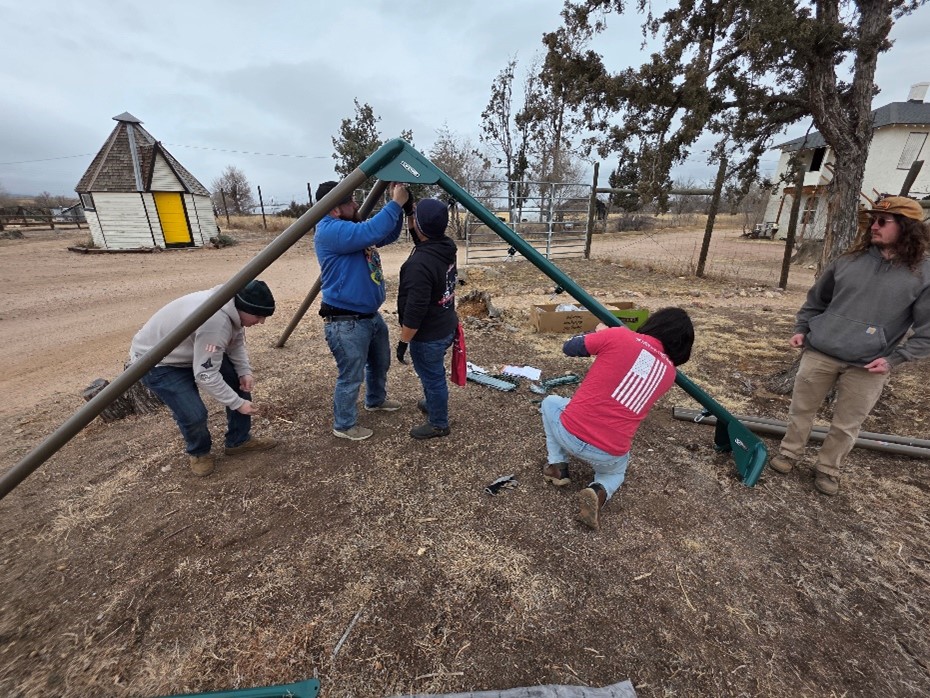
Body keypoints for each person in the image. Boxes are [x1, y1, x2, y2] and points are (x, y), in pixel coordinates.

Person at [768, 195, 930, 495]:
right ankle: (788, 453)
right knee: (801, 409)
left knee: (847, 424)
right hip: (821, 351)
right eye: (872, 220)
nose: (874, 226)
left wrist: (895, 359)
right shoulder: (848, 260)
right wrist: (802, 328)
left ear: (907, 228)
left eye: (883, 221)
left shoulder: (923, 274)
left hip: (869, 364)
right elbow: (816, 300)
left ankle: (828, 469)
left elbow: (927, 330)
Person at [540, 308, 695, 530]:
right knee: (615, 474)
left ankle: (557, 465)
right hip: (609, 452)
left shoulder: (620, 336)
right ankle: (598, 491)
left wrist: (600, 333)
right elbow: (639, 365)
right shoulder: (669, 374)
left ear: (654, 323)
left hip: (570, 431)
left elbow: (569, 347)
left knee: (550, 403)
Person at [131, 280, 279, 477]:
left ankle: (239, 440)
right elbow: (206, 374)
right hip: (159, 362)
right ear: (243, 308)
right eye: (259, 316)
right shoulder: (215, 321)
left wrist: (244, 371)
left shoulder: (231, 308)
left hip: (191, 351)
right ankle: (199, 452)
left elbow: (234, 341)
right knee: (194, 414)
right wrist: (237, 403)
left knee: (239, 382)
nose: (261, 322)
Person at [314, 180, 410, 441]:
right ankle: (344, 424)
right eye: (349, 202)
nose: (355, 204)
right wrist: (395, 203)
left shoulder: (349, 227)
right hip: (346, 320)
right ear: (334, 209)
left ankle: (376, 400)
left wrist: (398, 209)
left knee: (380, 363)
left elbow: (384, 234)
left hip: (369, 315)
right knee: (351, 375)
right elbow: (371, 231)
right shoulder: (330, 230)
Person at [395, 198, 459, 439]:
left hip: (428, 333)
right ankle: (433, 403)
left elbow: (415, 309)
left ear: (420, 228)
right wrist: (410, 210)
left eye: (415, 221)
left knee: (432, 378)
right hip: (445, 324)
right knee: (432, 374)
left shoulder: (418, 265)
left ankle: (439, 423)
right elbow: (421, 237)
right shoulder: (446, 247)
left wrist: (403, 342)